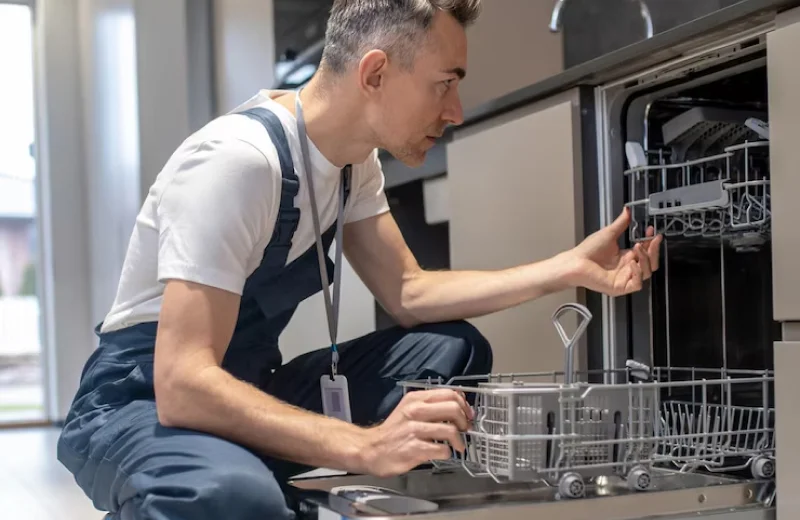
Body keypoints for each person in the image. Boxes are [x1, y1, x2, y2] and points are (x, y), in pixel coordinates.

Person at [57, 1, 663, 518]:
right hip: (136, 402)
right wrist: (363, 446)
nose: (454, 111)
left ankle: (261, 461)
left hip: (245, 384)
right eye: (444, 84)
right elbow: (183, 383)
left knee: (452, 348)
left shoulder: (353, 165)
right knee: (230, 496)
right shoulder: (237, 163)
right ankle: (214, 483)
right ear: (375, 73)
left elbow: (409, 293)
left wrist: (568, 268)